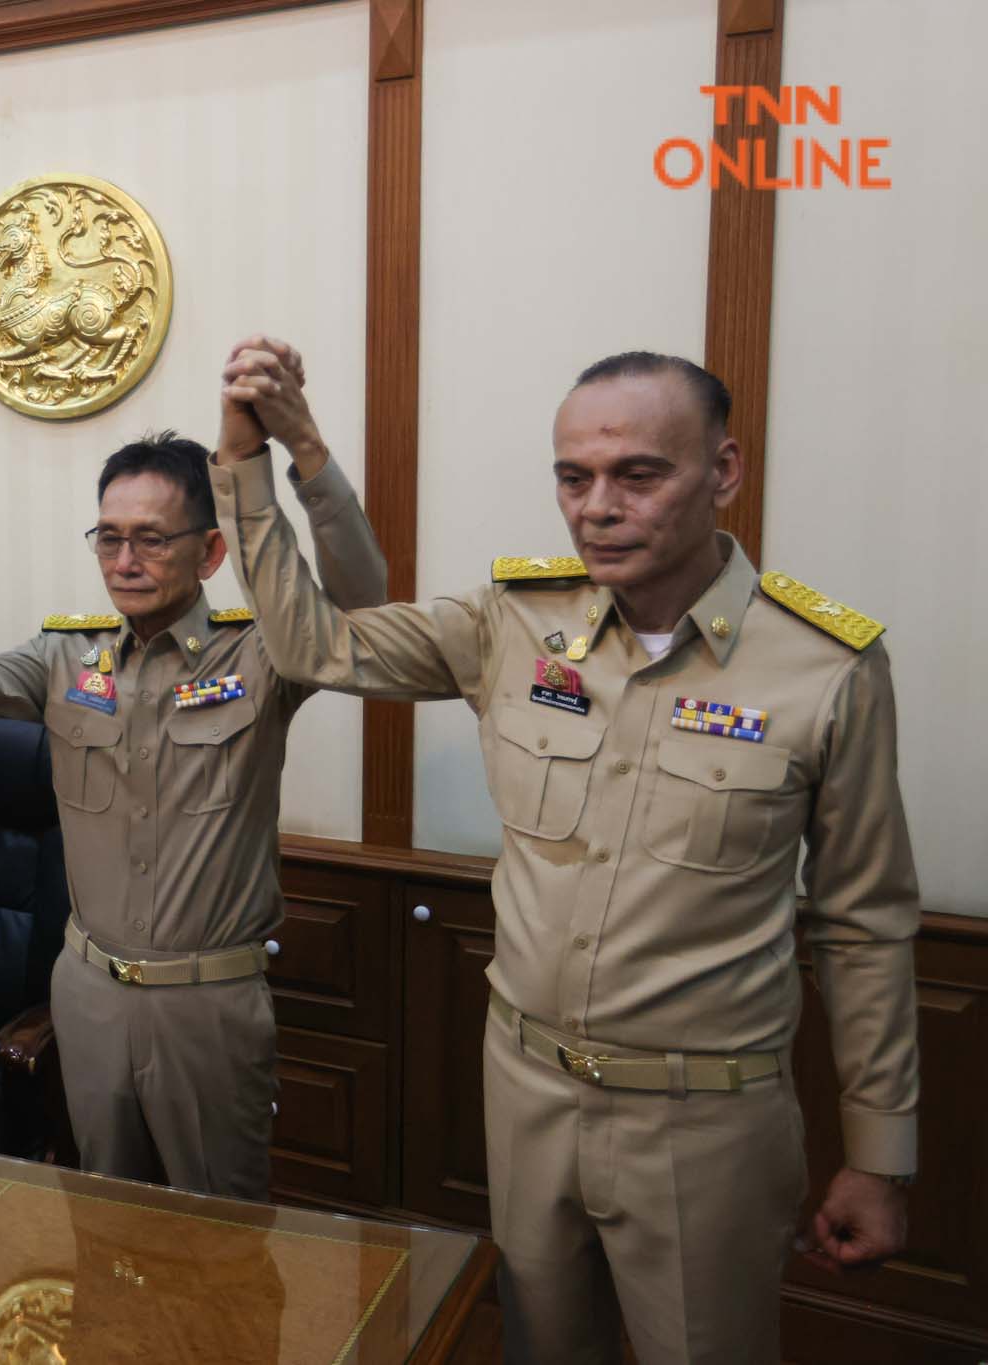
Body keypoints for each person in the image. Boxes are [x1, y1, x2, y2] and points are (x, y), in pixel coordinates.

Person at [210, 347, 918, 1363]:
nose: (595, 507)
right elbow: (315, 645)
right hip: (526, 1089)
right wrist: (262, 458)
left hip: (703, 1121)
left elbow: (863, 922)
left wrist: (878, 1157)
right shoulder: (511, 622)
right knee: (540, 1347)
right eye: (571, 478)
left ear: (720, 472)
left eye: (637, 475)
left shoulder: (822, 668)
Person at [0, 337, 389, 1199]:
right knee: (102, 1228)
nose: (124, 560)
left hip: (207, 1007)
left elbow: (363, 610)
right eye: (108, 537)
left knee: (220, 1240)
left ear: (212, 553)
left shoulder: (263, 655)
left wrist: (304, 452)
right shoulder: (67, 655)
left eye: (150, 538)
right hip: (86, 993)